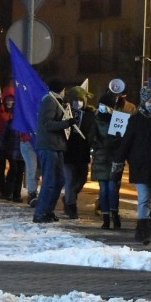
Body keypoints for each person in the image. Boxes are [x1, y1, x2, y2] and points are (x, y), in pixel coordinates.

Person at [112, 85, 151, 244]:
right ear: (143, 102)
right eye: (149, 101)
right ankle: (142, 232)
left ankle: (148, 228)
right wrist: (118, 163)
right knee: (144, 198)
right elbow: (126, 143)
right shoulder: (135, 120)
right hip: (140, 164)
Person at [32, 79, 77, 223]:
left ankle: (48, 210)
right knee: (50, 181)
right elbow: (47, 124)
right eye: (64, 90)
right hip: (49, 146)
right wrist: (66, 123)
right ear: (61, 89)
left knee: (60, 180)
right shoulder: (50, 101)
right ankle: (40, 213)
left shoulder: (57, 102)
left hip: (57, 146)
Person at [61, 86, 95, 219]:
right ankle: (70, 206)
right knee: (69, 180)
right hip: (68, 153)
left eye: (80, 100)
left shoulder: (90, 114)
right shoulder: (65, 113)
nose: (78, 103)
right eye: (75, 100)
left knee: (82, 179)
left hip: (83, 153)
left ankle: (70, 197)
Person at [91, 92, 123, 229]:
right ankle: (106, 218)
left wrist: (114, 142)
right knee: (105, 189)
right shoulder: (96, 119)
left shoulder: (118, 119)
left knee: (112, 189)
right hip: (101, 158)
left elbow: (122, 139)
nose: (102, 107)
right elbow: (91, 138)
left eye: (105, 105)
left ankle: (114, 216)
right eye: (101, 105)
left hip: (113, 158)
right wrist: (99, 144)